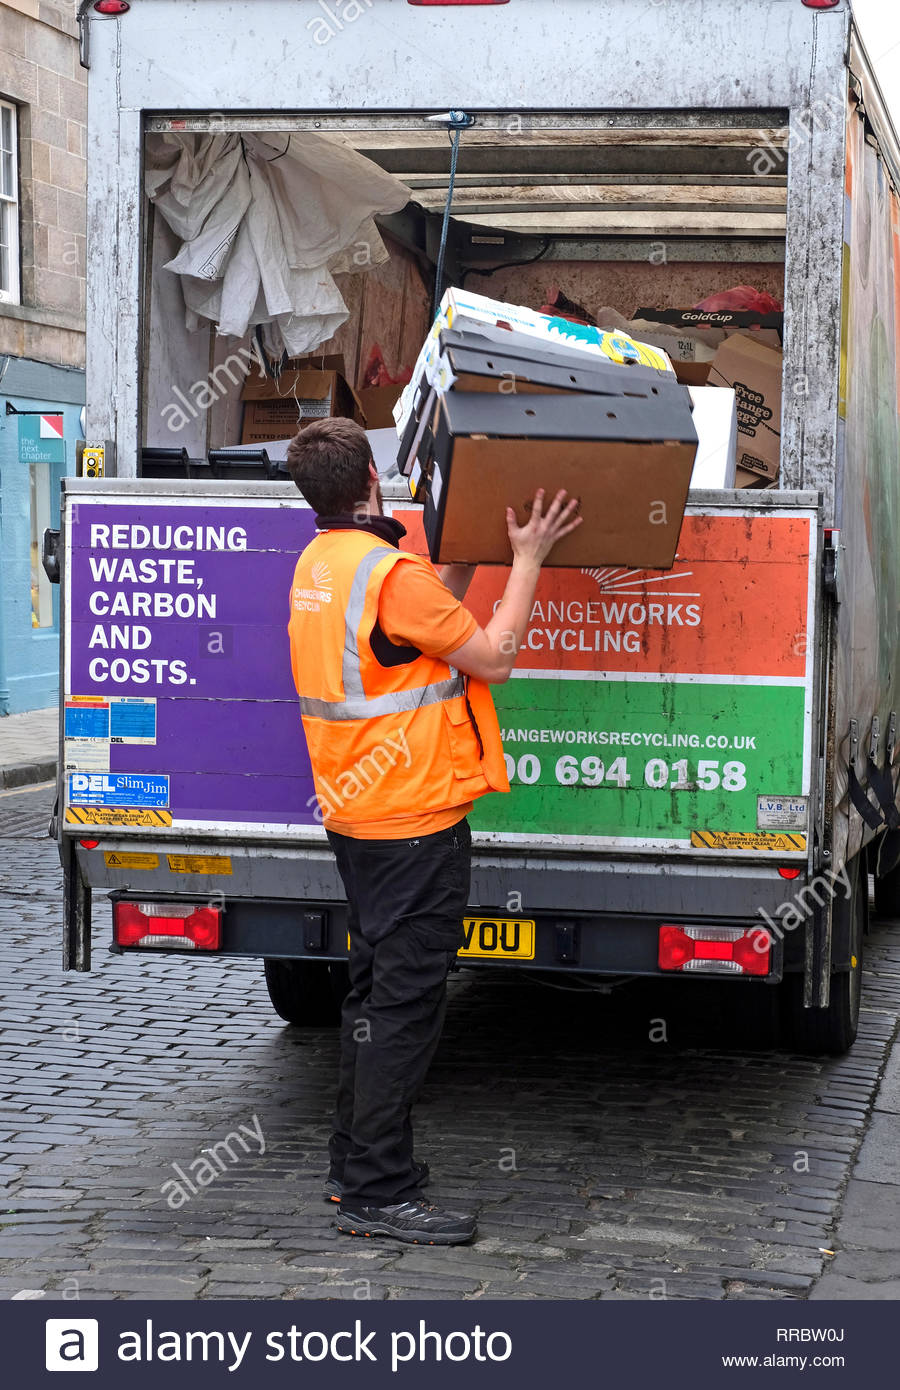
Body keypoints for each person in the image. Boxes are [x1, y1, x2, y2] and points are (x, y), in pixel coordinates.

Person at [285, 416, 581, 1246]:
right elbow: (491, 656)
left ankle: (357, 1168)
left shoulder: (324, 565)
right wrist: (526, 558)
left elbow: (415, 628)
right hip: (414, 822)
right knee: (405, 1005)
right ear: (372, 481)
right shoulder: (385, 572)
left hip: (359, 817)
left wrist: (471, 549)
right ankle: (379, 1189)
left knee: (374, 996)